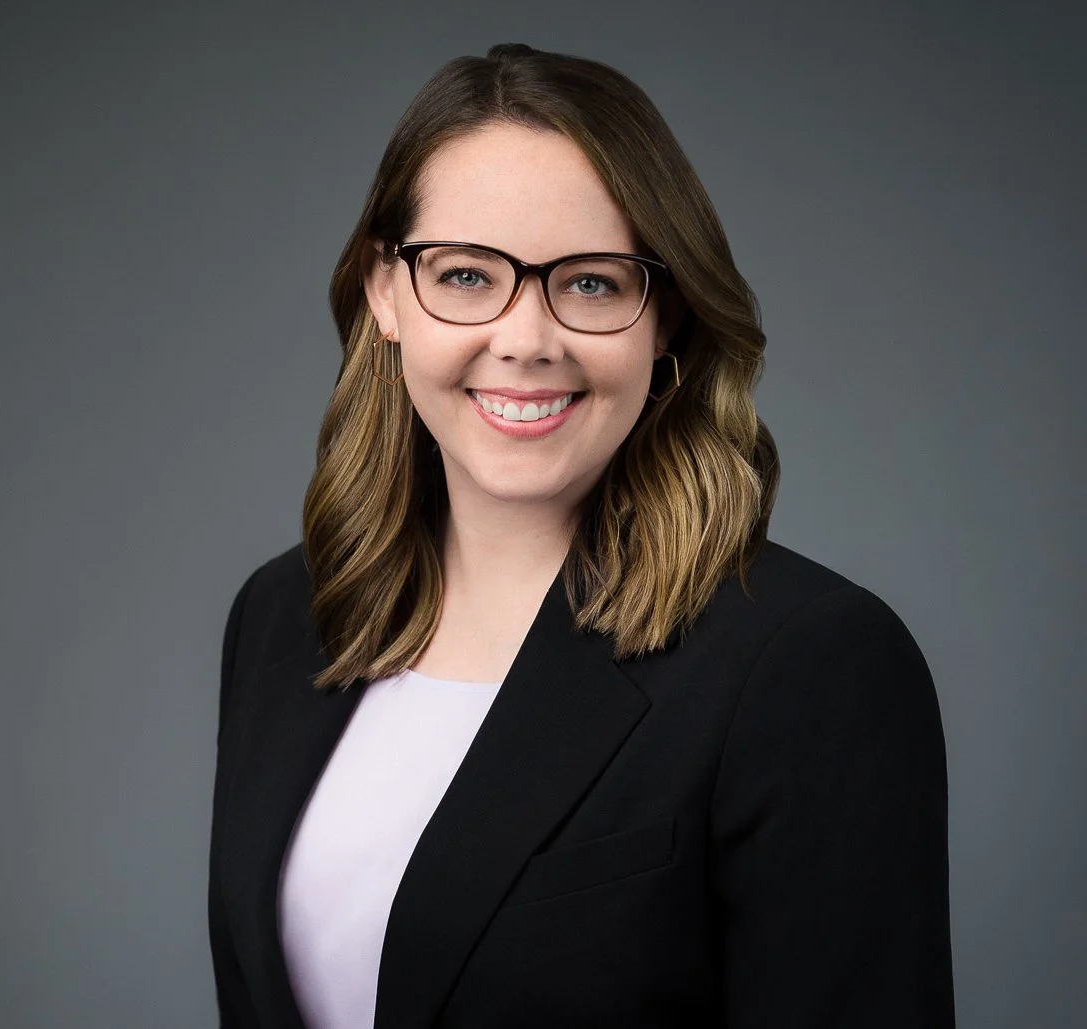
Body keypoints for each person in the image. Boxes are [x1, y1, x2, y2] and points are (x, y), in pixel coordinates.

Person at [208, 43, 954, 1029]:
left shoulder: (810, 664)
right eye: (466, 275)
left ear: (668, 316)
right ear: (384, 292)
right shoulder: (286, 616)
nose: (525, 339)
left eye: (592, 283)